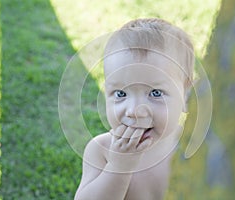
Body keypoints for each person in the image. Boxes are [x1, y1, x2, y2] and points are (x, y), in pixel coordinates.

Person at [75, 18, 194, 200]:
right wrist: (118, 167)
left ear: (186, 96)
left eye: (155, 93)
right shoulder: (101, 150)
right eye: (121, 93)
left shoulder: (190, 148)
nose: (134, 110)